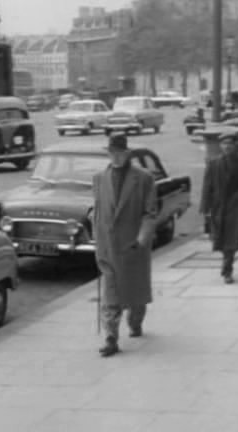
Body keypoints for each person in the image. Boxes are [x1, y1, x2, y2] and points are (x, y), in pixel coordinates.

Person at [92, 133, 157, 357]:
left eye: (120, 153)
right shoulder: (99, 178)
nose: (116, 157)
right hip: (109, 246)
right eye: (112, 153)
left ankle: (135, 322)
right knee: (111, 295)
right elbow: (98, 212)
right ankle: (111, 338)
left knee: (136, 294)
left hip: (133, 246)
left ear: (127, 154)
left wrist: (142, 239)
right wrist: (96, 241)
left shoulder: (144, 178)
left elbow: (150, 213)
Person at [200, 132, 238, 284]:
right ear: (220, 146)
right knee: (219, 237)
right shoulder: (213, 164)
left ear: (235, 146)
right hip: (218, 206)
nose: (227, 147)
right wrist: (205, 208)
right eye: (224, 144)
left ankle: (227, 269)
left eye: (230, 144)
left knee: (232, 238)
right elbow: (207, 187)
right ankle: (226, 261)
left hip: (234, 206)